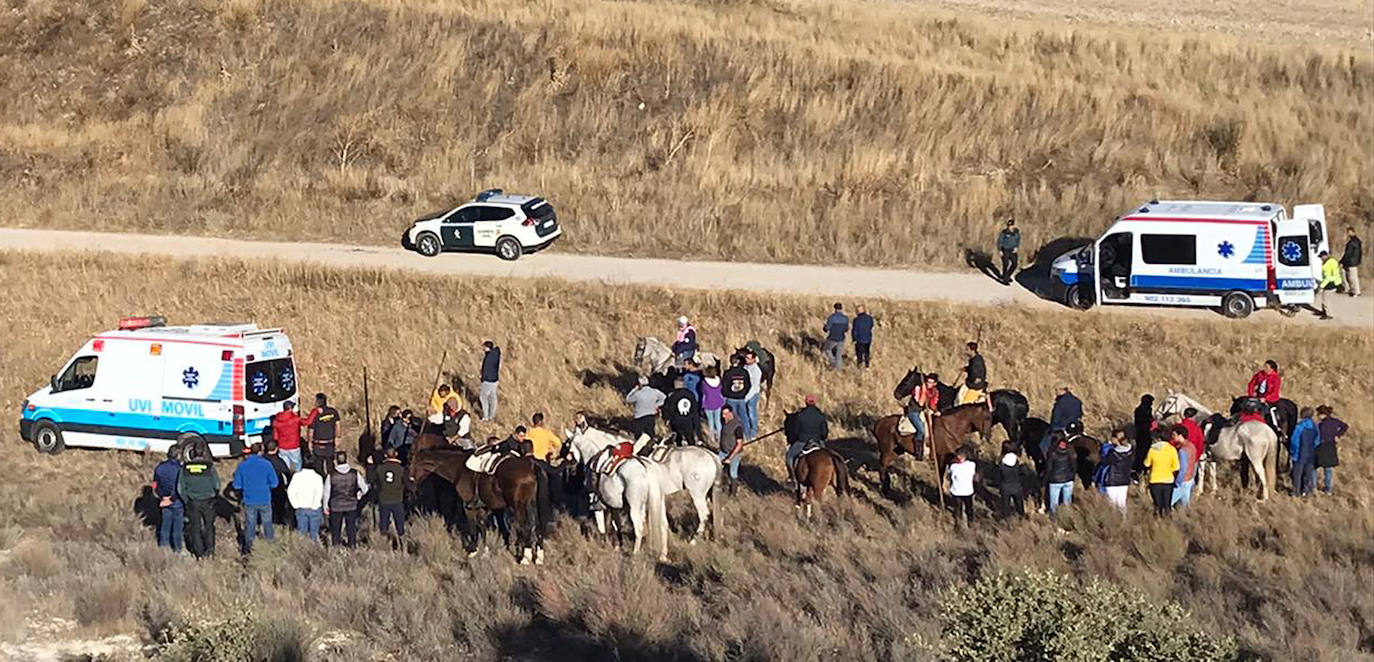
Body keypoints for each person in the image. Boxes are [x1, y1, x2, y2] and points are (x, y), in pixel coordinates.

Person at [233, 443, 280, 553]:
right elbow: (274, 483)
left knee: (250, 524)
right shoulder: (267, 464)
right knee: (267, 523)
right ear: (260, 451)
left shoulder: (242, 466)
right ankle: (270, 546)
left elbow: (237, 485)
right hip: (264, 499)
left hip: (249, 500)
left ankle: (249, 548)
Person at [177, 450, 220, 558]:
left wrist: (186, 500)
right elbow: (217, 484)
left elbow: (180, 488)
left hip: (193, 502)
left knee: (195, 527)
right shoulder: (210, 466)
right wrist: (215, 496)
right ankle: (210, 550)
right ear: (203, 454)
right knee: (209, 526)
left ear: (192, 454)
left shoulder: (185, 468)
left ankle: (199, 552)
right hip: (208, 501)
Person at [324, 451, 369, 547]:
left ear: (336, 461)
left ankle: (335, 546)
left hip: (336, 506)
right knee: (351, 528)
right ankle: (352, 546)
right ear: (346, 460)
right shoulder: (355, 473)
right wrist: (359, 495)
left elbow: (327, 492)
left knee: (336, 529)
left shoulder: (331, 475)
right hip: (351, 505)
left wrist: (325, 506)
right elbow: (365, 488)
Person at [786, 395, 829, 485]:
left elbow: (795, 431)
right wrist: (821, 438)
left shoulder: (801, 416)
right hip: (818, 441)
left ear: (806, 402)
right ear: (815, 402)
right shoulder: (821, 415)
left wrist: (794, 439)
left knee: (789, 456)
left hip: (803, 441)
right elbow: (825, 432)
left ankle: (792, 478)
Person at [151, 448, 183, 553]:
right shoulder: (180, 469)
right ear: (178, 455)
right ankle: (177, 549)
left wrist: (162, 497)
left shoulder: (159, 468)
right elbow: (181, 487)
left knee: (165, 525)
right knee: (177, 527)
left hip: (163, 500)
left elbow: (155, 485)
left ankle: (163, 548)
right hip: (177, 501)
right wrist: (172, 499)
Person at [1143, 429, 1180, 515]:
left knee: (1157, 505)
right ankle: (1167, 523)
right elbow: (1176, 467)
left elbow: (1146, 464)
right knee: (1167, 506)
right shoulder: (1172, 449)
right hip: (1168, 481)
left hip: (1155, 481)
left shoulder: (1152, 450)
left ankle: (1157, 522)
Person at [377, 447, 408, 545]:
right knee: (400, 524)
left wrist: (369, 466)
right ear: (396, 454)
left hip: (384, 499)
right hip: (397, 499)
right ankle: (402, 545)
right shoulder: (401, 469)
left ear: (385, 455)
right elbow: (408, 484)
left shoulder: (380, 468)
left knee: (384, 523)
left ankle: (384, 545)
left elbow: (371, 479)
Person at [287, 460, 325, 541]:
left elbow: (291, 491)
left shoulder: (297, 476)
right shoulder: (318, 477)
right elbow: (320, 493)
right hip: (314, 509)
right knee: (314, 534)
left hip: (301, 507)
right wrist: (315, 505)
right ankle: (313, 550)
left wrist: (295, 504)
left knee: (301, 533)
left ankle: (302, 550)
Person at [1099, 430, 1134, 514]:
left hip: (1112, 480)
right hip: (1124, 480)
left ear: (1115, 439)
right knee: (1122, 503)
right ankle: (1124, 522)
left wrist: (1107, 448)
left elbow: (1104, 462)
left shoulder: (1113, 453)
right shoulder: (1130, 451)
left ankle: (1114, 522)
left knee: (1112, 504)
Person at [302, 392, 341, 467]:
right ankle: (330, 477)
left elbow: (311, 430)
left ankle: (321, 478)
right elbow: (337, 425)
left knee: (318, 465)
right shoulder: (333, 411)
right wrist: (337, 437)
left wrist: (309, 442)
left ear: (317, 402)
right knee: (330, 464)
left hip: (318, 444)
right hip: (330, 443)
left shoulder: (315, 414)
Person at [662, 378, 702, 446]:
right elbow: (695, 409)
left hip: (677, 421)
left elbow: (670, 409)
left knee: (678, 441)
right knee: (690, 440)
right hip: (689, 421)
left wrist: (667, 418)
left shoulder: (673, 395)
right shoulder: (690, 394)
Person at [1315, 405, 1346, 494]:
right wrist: (1338, 435)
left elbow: (1317, 438)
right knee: (1328, 469)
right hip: (1331, 446)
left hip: (1322, 447)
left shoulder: (1320, 425)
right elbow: (1345, 426)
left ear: (1322, 414)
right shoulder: (1335, 421)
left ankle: (1313, 486)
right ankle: (1328, 488)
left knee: (1314, 466)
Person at [1044, 386, 1083, 456]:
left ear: (1062, 390)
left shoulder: (1060, 402)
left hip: (1062, 427)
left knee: (1044, 443)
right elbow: (1080, 414)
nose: (1055, 393)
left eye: (1056, 390)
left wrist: (1052, 428)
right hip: (1076, 427)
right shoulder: (1077, 401)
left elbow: (1056, 418)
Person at [1044, 432, 1075, 516]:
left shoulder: (1052, 452)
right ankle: (1067, 518)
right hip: (1068, 480)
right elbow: (1074, 466)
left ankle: (1054, 519)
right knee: (1067, 503)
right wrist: (1072, 476)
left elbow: (1049, 468)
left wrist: (1045, 480)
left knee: (1054, 503)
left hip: (1055, 480)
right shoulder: (1071, 451)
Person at [625, 376, 666, 441]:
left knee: (638, 436)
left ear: (640, 384)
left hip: (639, 417)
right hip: (650, 416)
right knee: (650, 434)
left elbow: (628, 399)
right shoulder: (655, 391)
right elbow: (664, 397)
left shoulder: (638, 394)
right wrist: (656, 405)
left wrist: (634, 389)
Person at [264, 441, 294, 526]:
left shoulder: (262, 460)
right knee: (279, 506)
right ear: (276, 449)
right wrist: (287, 485)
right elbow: (287, 474)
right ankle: (279, 521)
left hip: (264, 488)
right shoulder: (279, 461)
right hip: (277, 488)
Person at [1290, 408, 1319, 497]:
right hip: (1311, 453)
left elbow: (1294, 440)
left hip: (1298, 454)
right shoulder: (1314, 426)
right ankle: (1306, 490)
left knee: (1297, 473)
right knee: (1308, 473)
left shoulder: (1300, 426)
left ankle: (1296, 491)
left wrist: (1292, 451)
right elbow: (1318, 440)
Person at [1245, 360, 1282, 430]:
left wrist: (1266, 399)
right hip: (1259, 397)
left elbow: (1275, 392)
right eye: (1264, 367)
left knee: (1271, 411)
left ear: (1272, 369)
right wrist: (1251, 394)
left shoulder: (1276, 378)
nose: (1264, 369)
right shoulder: (1260, 374)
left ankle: (1276, 426)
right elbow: (1251, 384)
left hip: (1271, 399)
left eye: (1267, 367)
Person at [721, 356, 752, 439]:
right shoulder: (744, 372)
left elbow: (724, 386)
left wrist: (727, 394)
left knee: (732, 418)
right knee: (744, 416)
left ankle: (735, 435)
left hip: (731, 398)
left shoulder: (728, 373)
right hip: (741, 398)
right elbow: (748, 385)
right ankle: (747, 435)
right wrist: (743, 393)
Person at [946, 447, 977, 528]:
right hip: (968, 491)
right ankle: (970, 523)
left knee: (958, 509)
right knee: (969, 508)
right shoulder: (972, 465)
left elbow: (949, 476)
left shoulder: (953, 467)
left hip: (956, 491)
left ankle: (958, 524)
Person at [717, 405, 745, 495]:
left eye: (725, 414)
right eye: (722, 414)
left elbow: (739, 444)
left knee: (733, 472)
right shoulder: (724, 422)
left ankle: (733, 493)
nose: (723, 416)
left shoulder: (737, 426)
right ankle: (719, 487)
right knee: (717, 468)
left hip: (734, 453)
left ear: (731, 413)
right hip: (723, 451)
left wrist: (730, 458)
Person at [271, 400, 305, 472]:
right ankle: (297, 479)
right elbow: (308, 422)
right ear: (291, 408)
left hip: (282, 447)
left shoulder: (276, 420)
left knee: (285, 466)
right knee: (297, 466)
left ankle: (287, 479)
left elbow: (275, 436)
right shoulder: (295, 419)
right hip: (294, 446)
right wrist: (315, 411)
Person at [996, 452, 1031, 519]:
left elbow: (998, 478)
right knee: (1019, 505)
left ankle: (1006, 519)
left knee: (1005, 506)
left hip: (1005, 489)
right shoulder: (1018, 468)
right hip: (1017, 488)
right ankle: (1021, 517)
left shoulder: (1002, 468)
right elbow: (1026, 474)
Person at [1171, 427, 1197, 509]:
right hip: (1190, 479)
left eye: (1174, 435)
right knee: (1185, 507)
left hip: (1182, 481)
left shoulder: (1182, 450)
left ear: (1180, 435)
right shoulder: (1192, 446)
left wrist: (1177, 482)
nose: (1172, 437)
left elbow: (1183, 468)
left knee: (1167, 504)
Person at [742, 351, 763, 439]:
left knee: (752, 414)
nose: (747, 360)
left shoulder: (756, 371)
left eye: (749, 358)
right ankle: (746, 431)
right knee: (745, 414)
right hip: (746, 394)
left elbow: (754, 386)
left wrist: (747, 397)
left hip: (753, 395)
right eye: (746, 358)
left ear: (754, 359)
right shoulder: (745, 367)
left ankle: (753, 432)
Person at [700, 366, 725, 439]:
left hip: (708, 403)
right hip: (718, 402)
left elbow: (703, 392)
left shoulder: (704, 383)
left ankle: (712, 438)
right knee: (717, 421)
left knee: (710, 422)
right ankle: (720, 436)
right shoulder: (719, 380)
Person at [1132, 394, 1155, 473]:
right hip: (1142, 433)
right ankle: (1140, 467)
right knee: (1141, 451)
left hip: (1145, 433)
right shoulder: (1140, 410)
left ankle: (1143, 467)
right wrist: (1151, 424)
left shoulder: (1146, 409)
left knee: (1144, 450)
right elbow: (1142, 423)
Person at [822, 302, 849, 370]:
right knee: (839, 354)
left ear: (835, 309)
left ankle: (832, 362)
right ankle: (839, 370)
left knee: (827, 349)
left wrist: (824, 326)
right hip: (841, 338)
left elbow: (827, 329)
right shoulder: (845, 318)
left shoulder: (832, 318)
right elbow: (846, 329)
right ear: (841, 308)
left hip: (832, 338)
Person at [1317, 250, 1343, 319]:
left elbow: (1328, 277)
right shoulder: (1329, 262)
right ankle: (1324, 311)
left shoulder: (1329, 263)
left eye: (1321, 257)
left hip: (1331, 282)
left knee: (1326, 299)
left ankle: (1329, 314)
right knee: (1324, 298)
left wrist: (1321, 286)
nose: (1321, 258)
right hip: (1331, 281)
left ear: (1325, 256)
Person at [479, 340, 501, 421]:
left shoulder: (489, 358)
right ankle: (492, 415)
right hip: (495, 379)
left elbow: (486, 370)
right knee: (493, 397)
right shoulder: (495, 354)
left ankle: (486, 416)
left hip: (488, 380)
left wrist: (483, 378)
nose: (483, 349)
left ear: (487, 348)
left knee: (483, 397)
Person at [996, 218, 1021, 284]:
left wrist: (1016, 247)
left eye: (1011, 225)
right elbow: (999, 241)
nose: (1010, 227)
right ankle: (1005, 280)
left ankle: (1006, 276)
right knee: (1005, 264)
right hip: (1005, 250)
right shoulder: (1004, 232)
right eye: (1009, 226)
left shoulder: (1016, 232)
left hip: (1013, 250)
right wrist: (1000, 250)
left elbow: (1018, 240)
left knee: (1014, 264)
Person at [1339, 226, 1362, 297]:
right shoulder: (1355, 241)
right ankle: (1350, 289)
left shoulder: (1353, 242)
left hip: (1352, 262)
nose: (1348, 234)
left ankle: (1356, 291)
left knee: (1353, 277)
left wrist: (1342, 261)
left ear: (1353, 232)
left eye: (1349, 232)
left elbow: (1348, 253)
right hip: (1351, 261)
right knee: (1347, 275)